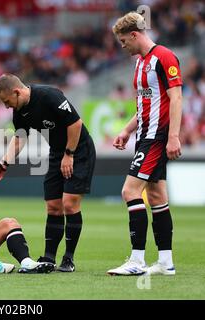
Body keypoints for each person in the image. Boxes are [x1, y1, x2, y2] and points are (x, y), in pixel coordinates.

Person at [0, 74, 96, 272]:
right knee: (53, 206)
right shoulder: (20, 110)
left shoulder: (49, 95)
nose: (6, 107)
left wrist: (69, 154)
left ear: (17, 92)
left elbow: (75, 123)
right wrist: (3, 164)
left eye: (7, 102)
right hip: (57, 153)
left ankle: (68, 259)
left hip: (78, 150)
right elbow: (20, 138)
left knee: (69, 203)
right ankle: (49, 257)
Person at [107, 12, 183, 276]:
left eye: (123, 40)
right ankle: (165, 262)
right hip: (143, 136)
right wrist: (127, 130)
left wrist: (173, 136)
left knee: (130, 191)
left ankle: (137, 261)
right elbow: (145, 105)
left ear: (135, 34)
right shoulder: (140, 63)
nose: (122, 45)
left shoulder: (164, 57)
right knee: (157, 197)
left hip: (157, 137)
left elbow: (176, 98)